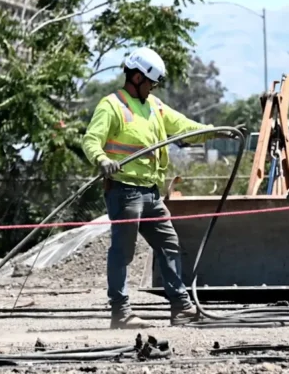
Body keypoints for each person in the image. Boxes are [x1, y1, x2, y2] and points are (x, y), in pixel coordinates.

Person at [82, 47, 243, 329]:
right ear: (135, 77)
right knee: (123, 251)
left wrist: (216, 131)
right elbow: (91, 140)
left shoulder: (154, 105)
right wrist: (102, 159)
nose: (153, 87)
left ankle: (180, 306)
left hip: (151, 193)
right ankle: (120, 312)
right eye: (150, 82)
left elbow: (183, 127)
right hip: (124, 190)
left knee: (169, 244)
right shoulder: (111, 106)